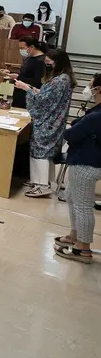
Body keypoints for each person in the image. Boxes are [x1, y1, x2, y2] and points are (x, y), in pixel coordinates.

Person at [53, 73, 101, 262]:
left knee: (83, 206)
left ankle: (83, 249)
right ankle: (75, 235)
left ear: (98, 89)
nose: (88, 90)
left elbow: (71, 135)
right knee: (72, 197)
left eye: (91, 86)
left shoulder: (96, 116)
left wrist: (69, 128)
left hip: (86, 163)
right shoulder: (95, 112)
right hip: (85, 160)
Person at [17, 49, 75, 198]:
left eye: (49, 62)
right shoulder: (63, 78)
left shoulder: (60, 80)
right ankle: (42, 181)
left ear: (59, 62)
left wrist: (26, 88)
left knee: (40, 152)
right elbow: (46, 95)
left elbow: (43, 101)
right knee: (45, 152)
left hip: (49, 121)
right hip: (53, 120)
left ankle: (42, 185)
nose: (47, 65)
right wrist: (32, 88)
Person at [3, 37, 48, 109]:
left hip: (29, 96)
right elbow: (25, 73)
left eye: (22, 48)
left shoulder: (41, 61)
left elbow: (38, 82)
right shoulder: (28, 57)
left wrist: (18, 77)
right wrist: (12, 73)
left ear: (32, 47)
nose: (21, 50)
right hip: (19, 93)